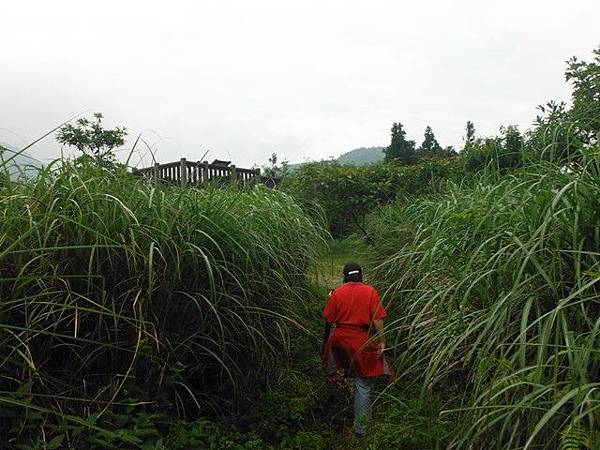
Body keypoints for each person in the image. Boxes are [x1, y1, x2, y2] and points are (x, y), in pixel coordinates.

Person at [322, 262, 395, 436]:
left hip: (339, 340)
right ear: (360, 276)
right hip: (360, 340)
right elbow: (378, 319)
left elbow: (329, 319)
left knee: (346, 367)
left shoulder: (337, 292)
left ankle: (334, 406)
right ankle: (361, 430)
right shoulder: (370, 291)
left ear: (345, 277)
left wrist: (331, 298)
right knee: (363, 383)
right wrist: (383, 341)